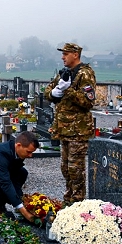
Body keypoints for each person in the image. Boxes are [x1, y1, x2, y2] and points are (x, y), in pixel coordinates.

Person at [44, 42, 96, 205]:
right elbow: (48, 91)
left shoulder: (85, 74)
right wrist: (55, 92)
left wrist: (68, 90)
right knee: (65, 168)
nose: (63, 57)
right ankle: (68, 198)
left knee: (75, 169)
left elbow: (88, 102)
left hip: (78, 131)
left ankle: (78, 201)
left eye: (66, 54)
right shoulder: (64, 73)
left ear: (75, 55)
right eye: (63, 53)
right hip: (63, 130)